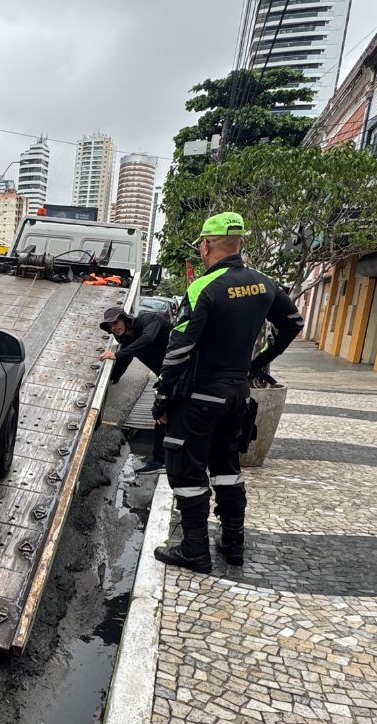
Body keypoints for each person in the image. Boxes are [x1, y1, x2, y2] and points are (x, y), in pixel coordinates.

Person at [151, 211, 304, 573]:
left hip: (201, 396)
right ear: (242, 243)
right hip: (237, 394)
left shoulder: (205, 287)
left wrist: (163, 393)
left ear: (206, 245)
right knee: (227, 468)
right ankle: (233, 544)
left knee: (187, 472)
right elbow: (294, 323)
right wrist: (259, 363)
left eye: (202, 244)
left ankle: (194, 551)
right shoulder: (264, 284)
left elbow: (180, 346)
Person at [98, 304, 173, 475]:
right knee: (162, 415)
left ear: (125, 319)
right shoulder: (129, 343)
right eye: (110, 326)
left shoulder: (148, 320)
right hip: (168, 378)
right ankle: (163, 460)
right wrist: (106, 378)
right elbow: (121, 367)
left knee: (164, 415)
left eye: (116, 322)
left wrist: (116, 354)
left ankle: (164, 461)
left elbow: (148, 339)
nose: (114, 328)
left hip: (185, 371)